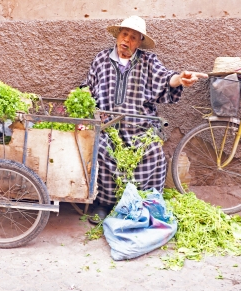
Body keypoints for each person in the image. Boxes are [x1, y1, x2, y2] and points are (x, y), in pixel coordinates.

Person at [81, 15, 207, 223]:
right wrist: (84, 101)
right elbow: (87, 88)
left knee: (153, 152)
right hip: (108, 128)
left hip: (141, 129)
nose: (127, 41)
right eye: (124, 35)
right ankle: (104, 204)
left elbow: (167, 78)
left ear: (139, 42)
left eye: (133, 37)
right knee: (101, 151)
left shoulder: (149, 62)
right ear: (118, 35)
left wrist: (180, 79)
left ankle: (142, 203)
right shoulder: (101, 59)